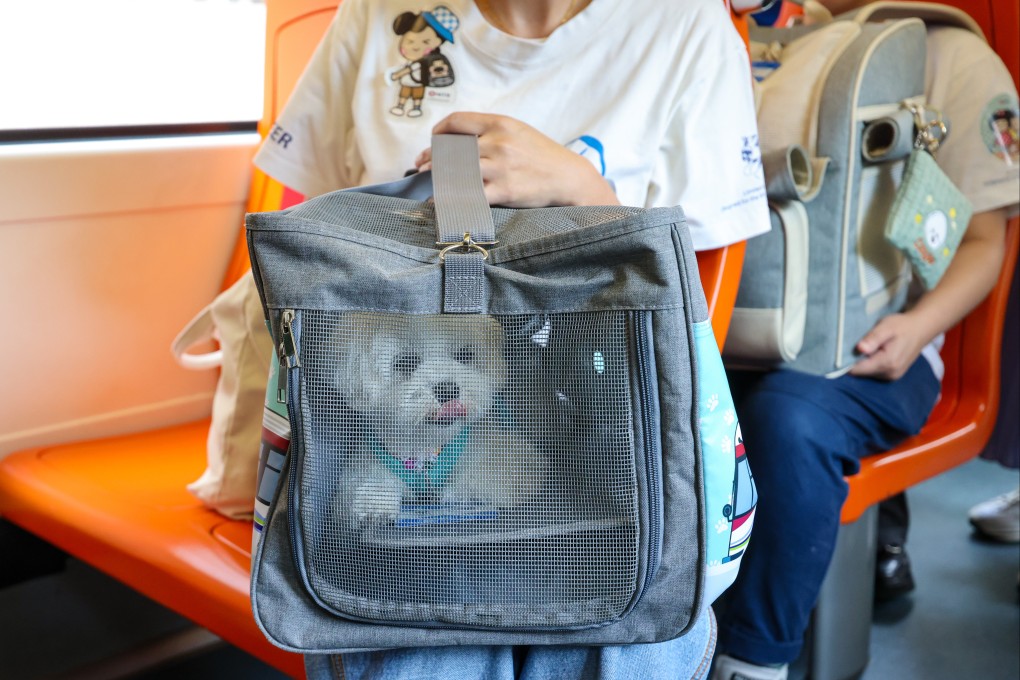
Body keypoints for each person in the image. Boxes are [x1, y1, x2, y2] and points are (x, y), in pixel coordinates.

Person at [252, 0, 772, 678]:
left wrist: (586, 196)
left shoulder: (685, 23)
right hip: (367, 446)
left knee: (614, 619)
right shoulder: (375, 11)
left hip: (610, 451)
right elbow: (305, 253)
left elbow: (694, 312)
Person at [710, 1, 1020, 678]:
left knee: (789, 422)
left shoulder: (952, 59)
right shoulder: (763, 30)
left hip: (874, 345)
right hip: (720, 325)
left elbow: (984, 241)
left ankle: (751, 658)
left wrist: (916, 329)